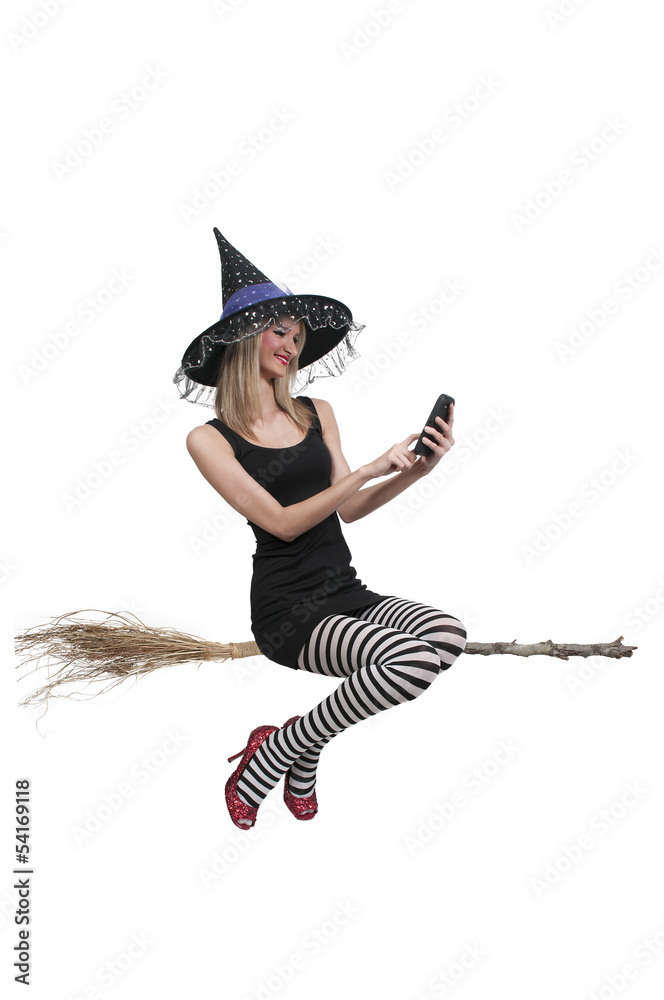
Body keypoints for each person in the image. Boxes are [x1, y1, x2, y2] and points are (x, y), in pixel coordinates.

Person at [176, 229, 467, 828]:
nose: (290, 345)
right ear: (244, 337)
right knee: (410, 663)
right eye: (278, 331)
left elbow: (349, 508)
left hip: (345, 591)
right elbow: (282, 524)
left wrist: (419, 469)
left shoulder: (316, 412)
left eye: (297, 336)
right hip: (288, 612)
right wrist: (367, 468)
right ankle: (275, 757)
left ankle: (294, 743)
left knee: (447, 634)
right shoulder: (209, 439)